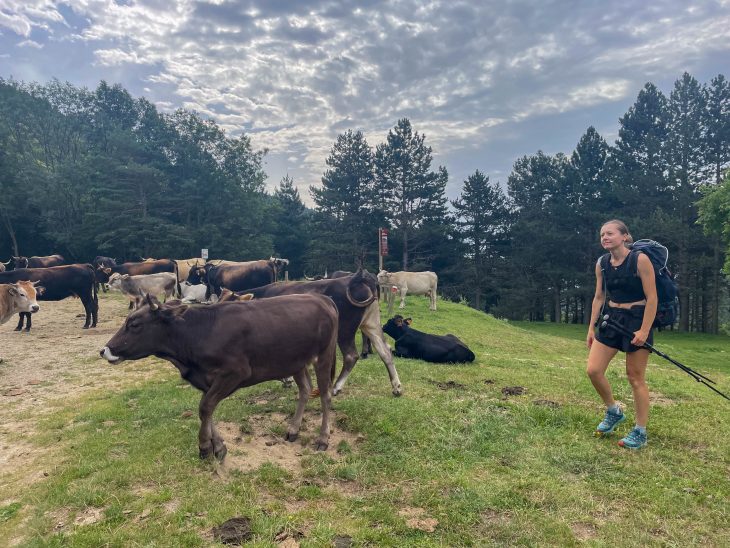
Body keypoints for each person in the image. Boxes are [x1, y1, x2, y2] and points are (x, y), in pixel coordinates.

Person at [586, 220, 658, 449]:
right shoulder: (602, 263)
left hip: (637, 318)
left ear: (624, 236)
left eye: (610, 233)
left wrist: (645, 330)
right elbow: (598, 297)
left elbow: (652, 297)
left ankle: (640, 431)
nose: (604, 237)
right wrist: (590, 327)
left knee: (635, 377)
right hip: (611, 318)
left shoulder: (640, 260)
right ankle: (613, 410)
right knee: (594, 370)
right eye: (602, 234)